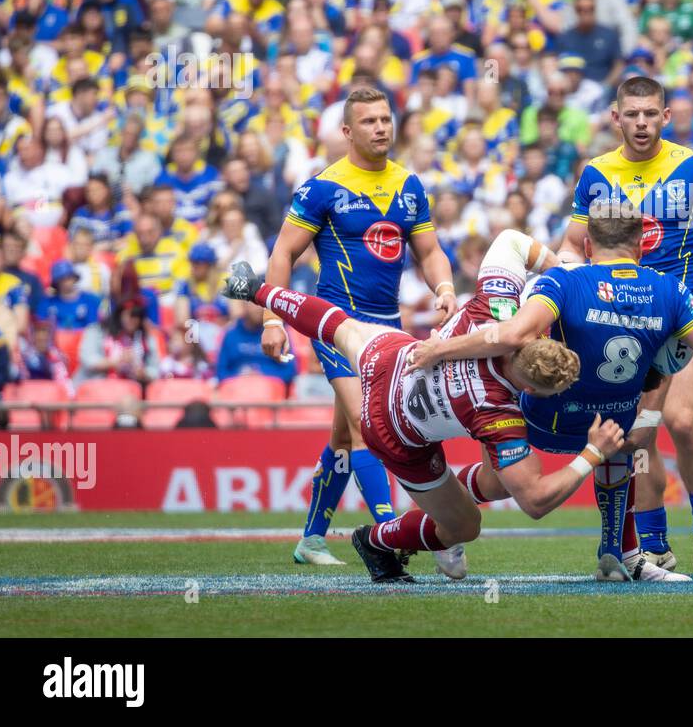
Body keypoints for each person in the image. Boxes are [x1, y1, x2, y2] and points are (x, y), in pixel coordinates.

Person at [221, 245, 622, 585]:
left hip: (394, 357)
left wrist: (565, 273)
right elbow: (535, 502)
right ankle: (376, 539)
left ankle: (254, 288)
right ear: (532, 390)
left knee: (339, 328)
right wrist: (592, 454)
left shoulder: (496, 309)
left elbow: (513, 241)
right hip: (393, 431)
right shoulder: (499, 413)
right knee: (465, 526)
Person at [413, 203, 693, 581]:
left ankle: (443, 516)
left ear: (587, 245)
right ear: (640, 246)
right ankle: (617, 554)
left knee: (492, 482)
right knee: (620, 436)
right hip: (606, 431)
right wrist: (665, 357)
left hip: (538, 418)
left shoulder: (565, 282)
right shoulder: (670, 289)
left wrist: (440, 348)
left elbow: (513, 335)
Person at [558, 76, 693, 575]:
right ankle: (655, 545)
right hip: (621, 321)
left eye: (650, 114)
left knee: (679, 420)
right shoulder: (596, 175)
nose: (640, 123)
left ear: (666, 116)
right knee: (638, 435)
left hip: (683, 315)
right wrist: (571, 273)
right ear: (615, 118)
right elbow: (571, 244)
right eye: (631, 114)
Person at [264, 84, 458, 568]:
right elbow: (283, 253)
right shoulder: (322, 187)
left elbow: (430, 251)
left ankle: (311, 539)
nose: (381, 128)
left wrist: (445, 288)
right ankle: (396, 535)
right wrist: (273, 318)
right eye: (369, 122)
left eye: (386, 119)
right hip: (336, 325)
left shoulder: (409, 186)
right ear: (347, 131)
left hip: (388, 327)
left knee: (344, 437)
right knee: (368, 427)